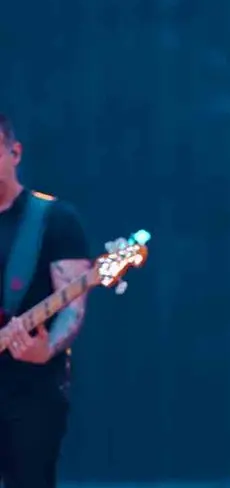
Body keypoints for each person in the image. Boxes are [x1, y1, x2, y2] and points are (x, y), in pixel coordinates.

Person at [0, 113, 93, 488]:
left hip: (31, 393)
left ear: (15, 152)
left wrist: (48, 347)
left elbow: (73, 307)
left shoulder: (53, 219)